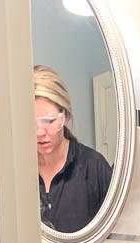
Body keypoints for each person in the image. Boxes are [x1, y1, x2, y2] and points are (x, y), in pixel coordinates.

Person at [34, 65, 113, 233]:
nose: (40, 133)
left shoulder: (94, 168)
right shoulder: (16, 175)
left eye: (49, 121)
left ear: (66, 117)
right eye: (31, 123)